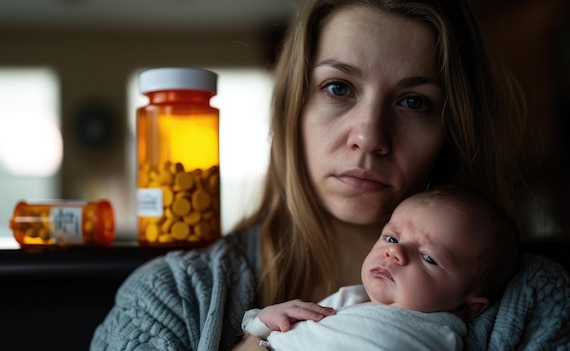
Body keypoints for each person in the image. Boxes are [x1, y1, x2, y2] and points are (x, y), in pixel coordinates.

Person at [91, 1, 570, 350]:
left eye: (414, 101)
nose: (368, 137)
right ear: (291, 109)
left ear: (452, 129)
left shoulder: (532, 299)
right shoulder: (170, 298)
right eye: (338, 88)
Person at [241, 186, 520, 351]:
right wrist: (265, 319)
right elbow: (269, 329)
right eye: (391, 238)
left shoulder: (438, 336)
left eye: (429, 258)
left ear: (469, 309)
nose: (394, 252)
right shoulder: (347, 299)